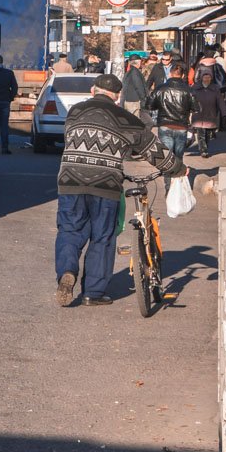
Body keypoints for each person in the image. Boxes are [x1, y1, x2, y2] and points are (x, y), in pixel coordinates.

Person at [55, 73, 186, 307]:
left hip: (70, 181)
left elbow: (70, 138)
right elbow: (154, 151)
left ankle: (67, 272)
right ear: (117, 97)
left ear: (93, 91)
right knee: (102, 237)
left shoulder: (75, 112)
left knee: (69, 231)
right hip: (106, 184)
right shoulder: (125, 118)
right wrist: (178, 169)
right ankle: (92, 293)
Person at [147, 62, 198, 191]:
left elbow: (149, 105)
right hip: (181, 127)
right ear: (182, 75)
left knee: (167, 158)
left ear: (170, 73)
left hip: (165, 125)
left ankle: (168, 187)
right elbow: (196, 107)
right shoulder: (188, 90)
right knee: (178, 157)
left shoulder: (161, 88)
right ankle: (177, 186)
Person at [192, 69, 226, 158]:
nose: (207, 79)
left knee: (208, 133)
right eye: (205, 77)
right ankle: (203, 150)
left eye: (208, 77)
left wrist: (224, 112)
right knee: (200, 133)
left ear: (211, 78)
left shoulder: (215, 88)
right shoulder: (195, 87)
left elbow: (220, 101)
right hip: (198, 114)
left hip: (210, 113)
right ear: (202, 77)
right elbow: (190, 99)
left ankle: (205, 147)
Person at [120, 55, 149, 121]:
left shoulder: (129, 72)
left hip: (128, 100)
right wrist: (143, 99)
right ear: (138, 62)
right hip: (134, 102)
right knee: (134, 122)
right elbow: (139, 87)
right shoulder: (135, 72)